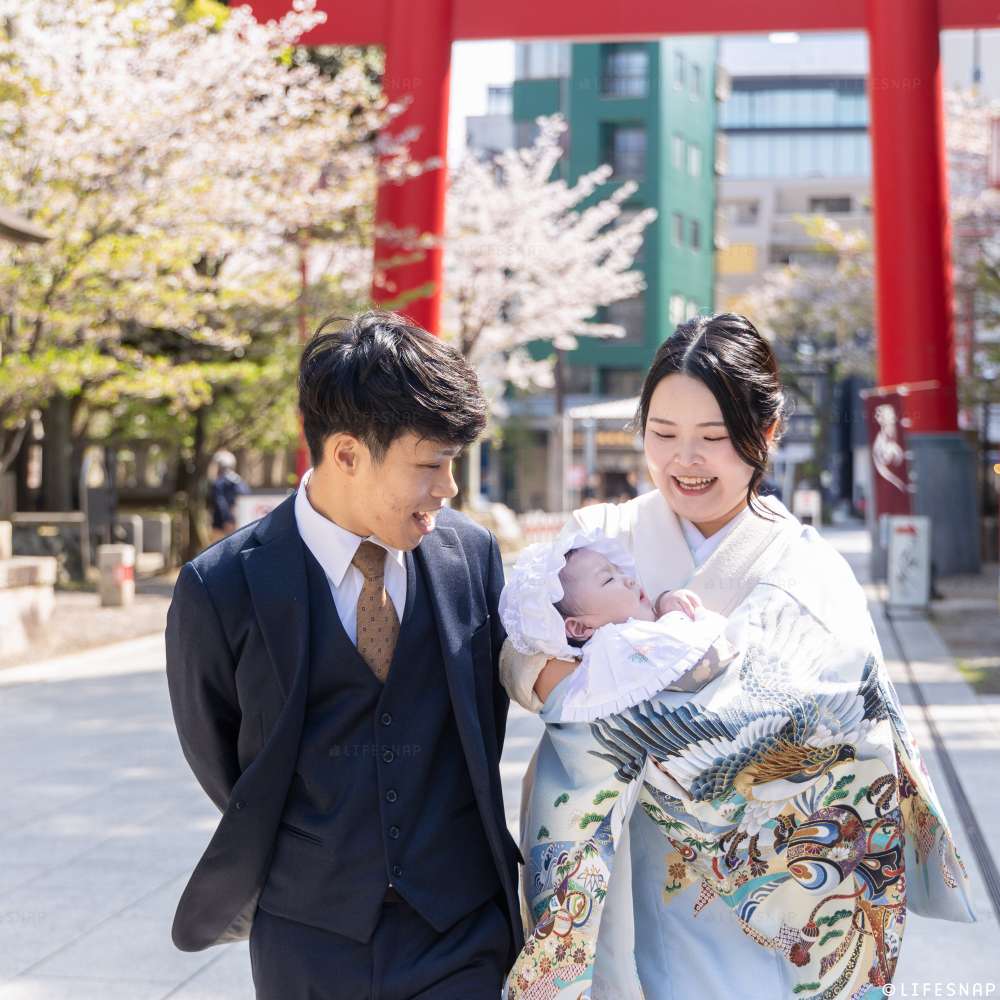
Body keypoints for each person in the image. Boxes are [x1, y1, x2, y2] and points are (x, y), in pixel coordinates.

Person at [499, 314, 973, 1000]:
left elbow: (837, 715)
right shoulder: (601, 535)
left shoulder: (806, 566)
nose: (684, 460)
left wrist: (630, 709)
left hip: (763, 880)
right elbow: (523, 643)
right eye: (663, 434)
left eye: (713, 437)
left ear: (767, 431)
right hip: (617, 867)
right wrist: (561, 688)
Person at [165, 311, 523, 999]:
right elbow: (219, 754)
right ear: (348, 455)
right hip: (307, 931)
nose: (448, 488)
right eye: (431, 464)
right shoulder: (221, 586)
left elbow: (486, 716)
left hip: (461, 926)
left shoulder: (470, 556)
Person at [208, 450, 249, 542]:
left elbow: (220, 503)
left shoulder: (218, 483)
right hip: (239, 524)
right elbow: (245, 500)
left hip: (221, 524)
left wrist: (227, 520)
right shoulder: (239, 481)